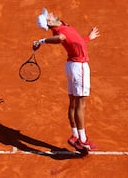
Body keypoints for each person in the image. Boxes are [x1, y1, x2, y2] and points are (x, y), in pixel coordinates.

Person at [32, 8, 100, 151]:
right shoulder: (58, 32)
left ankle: (75, 135)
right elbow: (61, 38)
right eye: (48, 16)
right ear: (49, 23)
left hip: (71, 66)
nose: (51, 14)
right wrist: (42, 41)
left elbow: (76, 41)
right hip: (79, 68)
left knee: (73, 103)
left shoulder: (62, 25)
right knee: (80, 105)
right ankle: (82, 140)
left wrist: (88, 38)